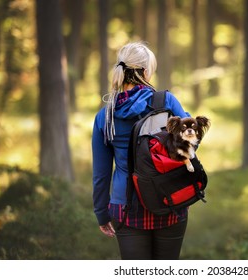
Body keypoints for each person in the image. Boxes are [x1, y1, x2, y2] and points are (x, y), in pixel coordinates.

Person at [92, 41, 190, 260]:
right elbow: (190, 144)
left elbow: (101, 173)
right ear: (145, 72)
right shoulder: (166, 101)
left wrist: (101, 212)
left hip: (125, 206)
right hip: (169, 200)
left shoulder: (105, 116)